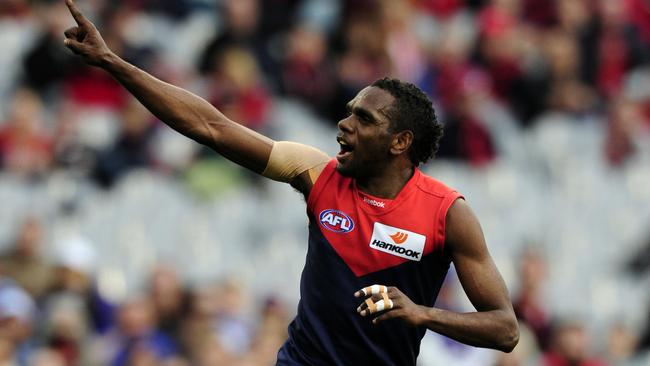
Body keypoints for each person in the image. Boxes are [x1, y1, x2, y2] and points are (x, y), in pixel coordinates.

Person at [61, 0, 519, 364]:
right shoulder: (317, 173)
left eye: (363, 118)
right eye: (347, 111)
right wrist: (112, 62)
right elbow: (212, 127)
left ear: (400, 141)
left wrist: (423, 313)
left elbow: (505, 329)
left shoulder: (447, 213)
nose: (344, 124)